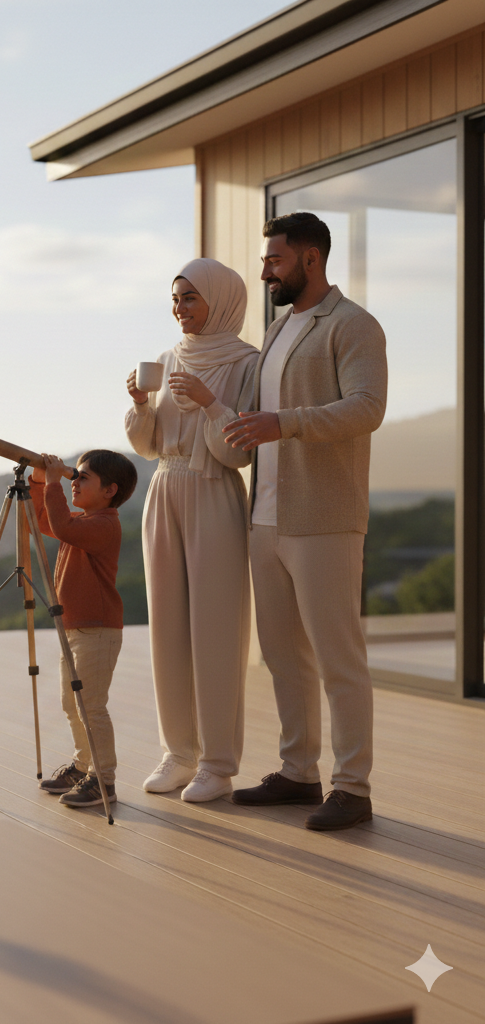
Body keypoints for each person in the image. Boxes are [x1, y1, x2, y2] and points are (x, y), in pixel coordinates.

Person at [224, 211, 387, 831]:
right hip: (266, 518)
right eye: (266, 260)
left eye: (275, 260)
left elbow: (367, 407)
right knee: (283, 656)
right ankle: (299, 772)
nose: (265, 269)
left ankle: (354, 787)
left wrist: (284, 421)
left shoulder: (353, 325)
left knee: (338, 657)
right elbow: (260, 417)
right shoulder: (276, 329)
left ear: (311, 259)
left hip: (324, 518)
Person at [125, 258, 258, 802]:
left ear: (220, 301)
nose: (180, 309)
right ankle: (179, 753)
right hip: (166, 490)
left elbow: (237, 453)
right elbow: (149, 447)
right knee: (168, 628)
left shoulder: (248, 363)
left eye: (190, 299)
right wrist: (139, 405)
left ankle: (218, 764)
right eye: (175, 299)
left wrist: (209, 404)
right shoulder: (166, 359)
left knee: (217, 630)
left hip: (214, 492)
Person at [30, 449, 137, 809]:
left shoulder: (104, 525)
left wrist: (55, 482)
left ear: (110, 490)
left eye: (83, 478)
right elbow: (44, 520)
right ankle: (82, 767)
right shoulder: (82, 522)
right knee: (71, 704)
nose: (74, 482)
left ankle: (103, 780)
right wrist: (40, 481)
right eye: (74, 477)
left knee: (91, 705)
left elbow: (59, 526)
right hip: (75, 628)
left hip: (98, 629)